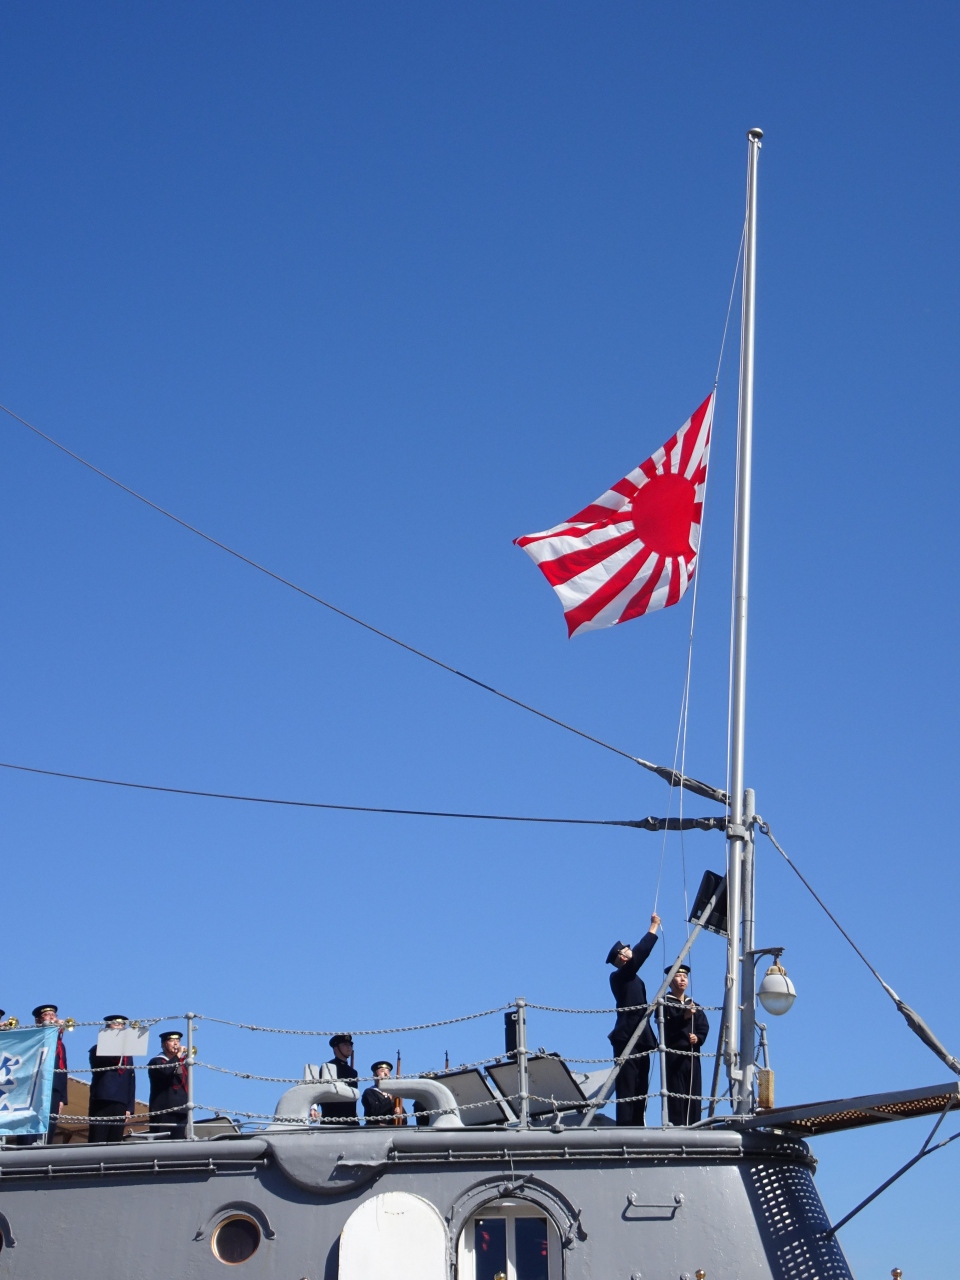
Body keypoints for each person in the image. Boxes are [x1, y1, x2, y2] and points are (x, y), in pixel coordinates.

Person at [606, 912, 661, 1126]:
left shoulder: (634, 978)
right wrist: (653, 928)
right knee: (627, 1087)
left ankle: (637, 1126)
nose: (630, 950)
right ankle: (626, 1129)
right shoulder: (619, 976)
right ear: (622, 957)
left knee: (641, 1087)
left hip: (642, 1037)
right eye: (627, 949)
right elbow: (640, 954)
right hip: (627, 1036)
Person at [662, 965, 710, 1126]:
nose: (682, 979)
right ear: (670, 981)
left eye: (685, 977)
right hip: (674, 1056)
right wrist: (684, 1016)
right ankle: (677, 1126)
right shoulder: (665, 1003)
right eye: (678, 976)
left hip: (692, 1056)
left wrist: (698, 1038)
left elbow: (703, 1026)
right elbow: (666, 1027)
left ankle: (695, 1125)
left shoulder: (694, 1004)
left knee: (693, 1093)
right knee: (677, 1093)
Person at [88, 1015, 136, 1143]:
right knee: (98, 1139)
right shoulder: (97, 1049)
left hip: (120, 1101)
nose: (120, 1028)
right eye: (116, 1024)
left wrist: (129, 1107)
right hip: (103, 1099)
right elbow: (106, 1061)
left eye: (122, 1025)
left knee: (115, 1140)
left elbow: (131, 1080)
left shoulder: (127, 1054)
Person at [34, 1004, 68, 1140]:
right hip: (38, 1087)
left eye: (54, 1015)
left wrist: (62, 1099)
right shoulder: (35, 1038)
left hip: (55, 1088)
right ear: (38, 1021)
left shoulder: (60, 1045)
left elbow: (63, 1070)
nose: (52, 1018)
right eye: (47, 1015)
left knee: (51, 1124)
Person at [147, 1030, 189, 1139]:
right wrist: (178, 1055)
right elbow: (166, 1071)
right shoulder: (156, 1061)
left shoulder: (182, 1063)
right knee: (162, 1142)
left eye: (178, 1041)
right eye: (172, 1040)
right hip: (163, 1111)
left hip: (181, 1110)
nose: (176, 1044)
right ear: (163, 1044)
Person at [319, 1034, 359, 1123]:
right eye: (345, 1044)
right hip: (332, 1118)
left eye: (350, 1045)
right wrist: (314, 1107)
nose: (349, 1047)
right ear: (336, 1049)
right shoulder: (328, 1067)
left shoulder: (353, 1072)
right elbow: (320, 1090)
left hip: (350, 1120)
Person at [362, 1061, 406, 1126]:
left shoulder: (394, 1095)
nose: (386, 1074)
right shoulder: (369, 1092)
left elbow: (404, 1121)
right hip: (375, 1129)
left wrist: (400, 1114)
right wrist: (390, 1098)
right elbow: (374, 1111)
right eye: (382, 1071)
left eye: (388, 1071)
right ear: (375, 1075)